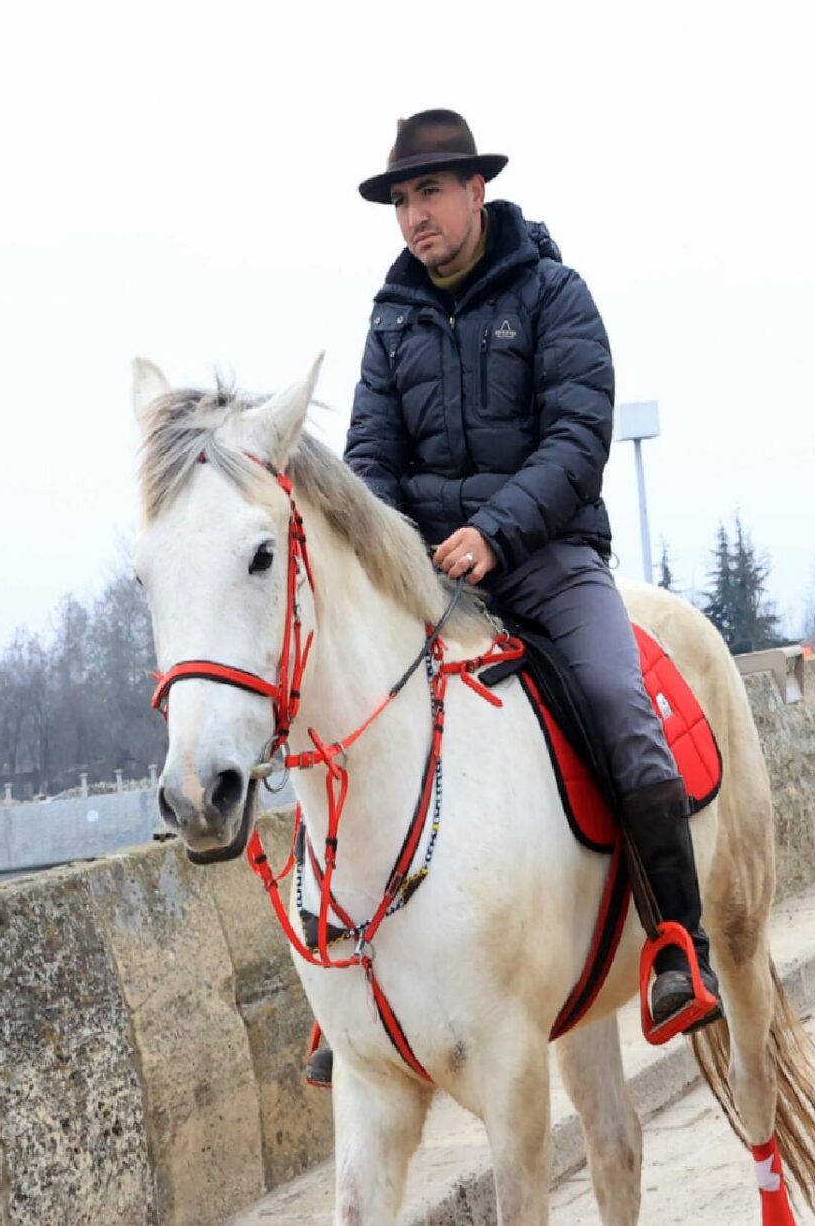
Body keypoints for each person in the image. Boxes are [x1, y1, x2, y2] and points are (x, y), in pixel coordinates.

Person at [335, 112, 716, 1086]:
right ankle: (348, 990)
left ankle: (678, 940)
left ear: (477, 191)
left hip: (548, 559)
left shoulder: (554, 294)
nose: (414, 216)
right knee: (340, 727)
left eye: (429, 193)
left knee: (624, 714)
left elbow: (577, 438)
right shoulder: (390, 319)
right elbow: (368, 456)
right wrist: (393, 549)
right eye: (401, 200)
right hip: (428, 577)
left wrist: (494, 531)